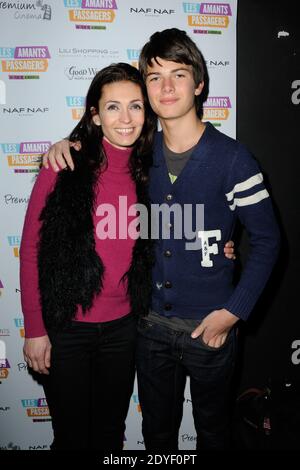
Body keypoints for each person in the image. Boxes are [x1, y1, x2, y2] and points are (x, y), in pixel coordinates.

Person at [42, 29, 272, 452]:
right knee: (157, 439)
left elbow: (268, 241)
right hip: (149, 329)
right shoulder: (142, 155)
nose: (166, 87)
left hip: (210, 330)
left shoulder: (234, 159)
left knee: (214, 435)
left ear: (199, 84)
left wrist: (233, 313)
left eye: (179, 75)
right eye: (154, 76)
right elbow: (102, 150)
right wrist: (65, 144)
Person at [20, 63, 157, 451]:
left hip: (125, 329)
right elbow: (30, 249)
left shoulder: (153, 169)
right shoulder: (63, 166)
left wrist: (224, 248)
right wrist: (34, 329)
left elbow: (178, 228)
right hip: (67, 330)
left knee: (110, 435)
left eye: (136, 106)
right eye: (113, 107)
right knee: (71, 438)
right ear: (95, 114)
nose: (126, 118)